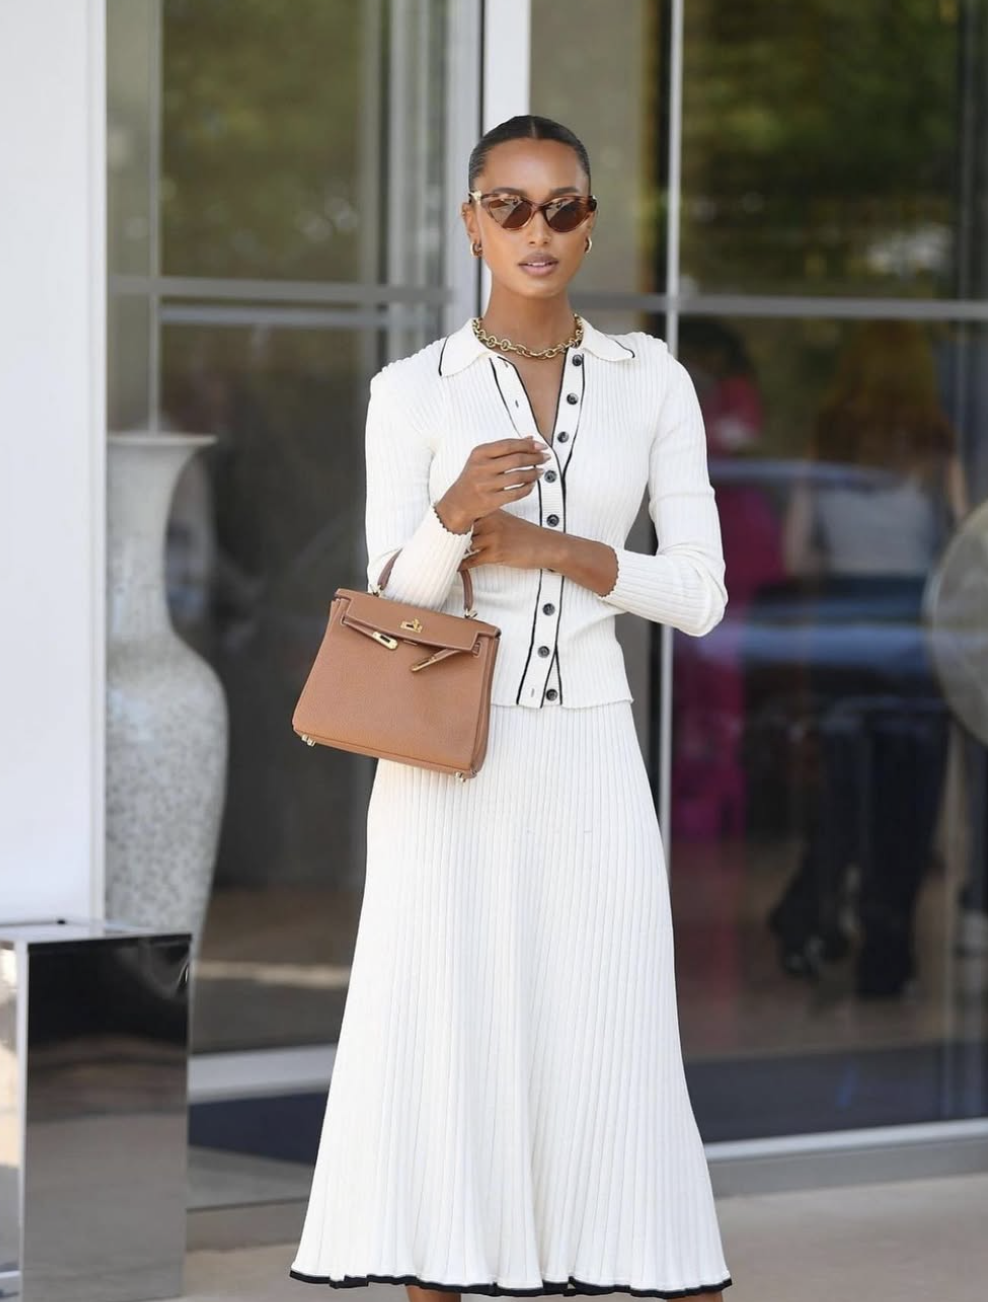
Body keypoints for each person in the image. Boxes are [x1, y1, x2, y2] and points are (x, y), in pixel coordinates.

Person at [289, 115, 732, 1300]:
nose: (538, 231)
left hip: (590, 752)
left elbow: (698, 595)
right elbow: (389, 602)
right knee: (447, 1032)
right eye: (512, 206)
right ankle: (446, 1267)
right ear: (471, 220)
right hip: (445, 772)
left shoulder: (655, 381)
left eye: (564, 207)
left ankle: (639, 1256)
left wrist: (564, 550)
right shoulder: (411, 388)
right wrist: (448, 517)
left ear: (591, 221)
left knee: (613, 1027)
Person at [768, 320, 967, 997]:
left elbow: (796, 554)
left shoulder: (829, 440)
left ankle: (803, 914)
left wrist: (842, 562)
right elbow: (961, 555)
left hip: (839, 635)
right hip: (913, 638)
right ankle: (888, 954)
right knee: (908, 804)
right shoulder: (936, 446)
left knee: (845, 797)